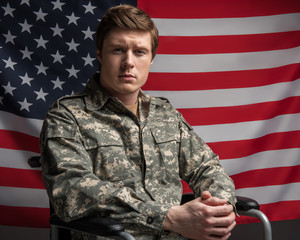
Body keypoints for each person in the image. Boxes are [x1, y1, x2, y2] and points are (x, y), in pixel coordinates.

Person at [40, 4, 236, 240]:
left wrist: (219, 209)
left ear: (152, 58)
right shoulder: (66, 115)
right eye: (118, 50)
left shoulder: (165, 114)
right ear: (100, 54)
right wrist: (168, 217)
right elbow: (72, 189)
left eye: (140, 52)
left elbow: (208, 168)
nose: (128, 62)